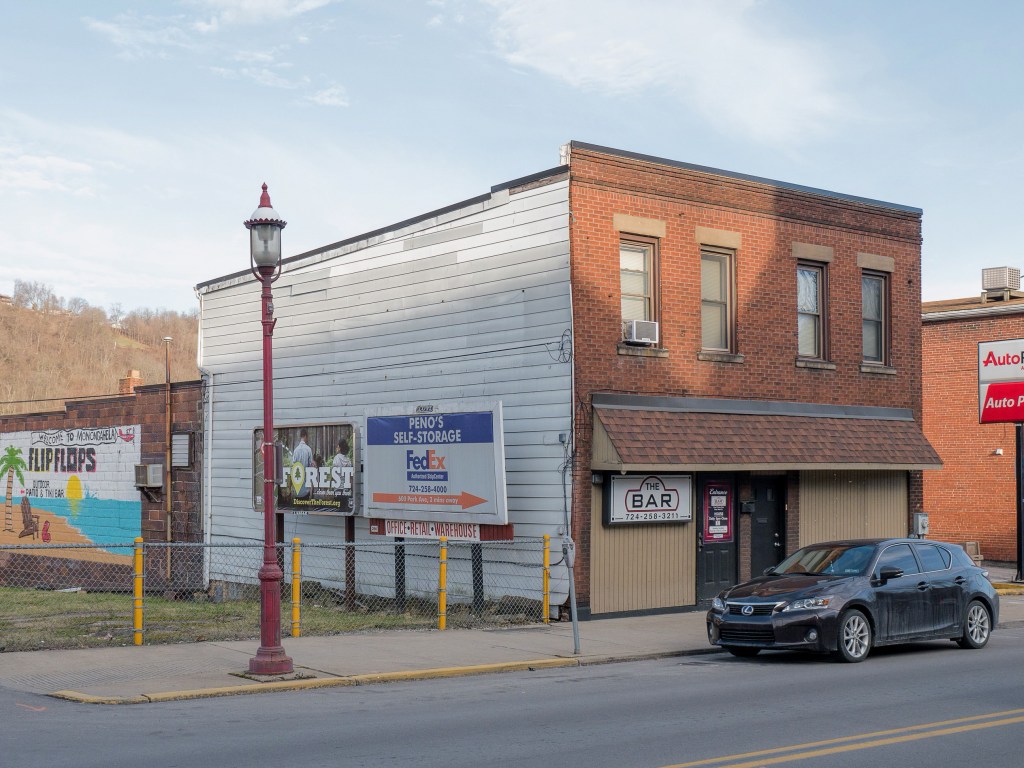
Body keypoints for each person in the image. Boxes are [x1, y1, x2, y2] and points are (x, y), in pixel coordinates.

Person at [291, 429, 314, 498]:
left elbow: (293, 467)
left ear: (300, 436)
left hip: (297, 486)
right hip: (306, 488)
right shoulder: (308, 449)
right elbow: (310, 468)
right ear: (305, 436)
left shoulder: (296, 450)